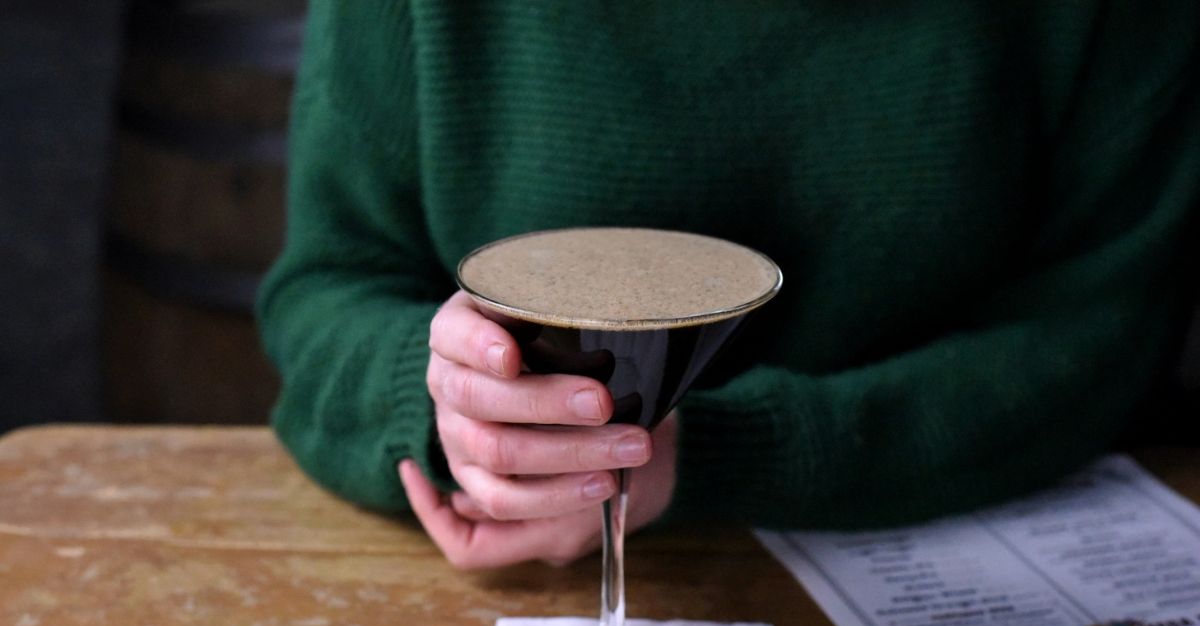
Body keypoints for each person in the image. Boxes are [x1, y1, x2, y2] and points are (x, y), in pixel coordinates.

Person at [257, 2, 1200, 570]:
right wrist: (463, 417)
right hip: (522, 613)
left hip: (989, 569)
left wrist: (708, 457)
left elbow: (1107, 332)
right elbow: (329, 289)